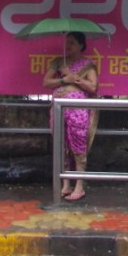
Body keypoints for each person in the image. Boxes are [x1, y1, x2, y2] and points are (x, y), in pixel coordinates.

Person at [42, 31, 99, 202]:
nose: (68, 46)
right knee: (61, 143)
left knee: (78, 143)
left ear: (81, 45)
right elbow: (46, 82)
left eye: (72, 43)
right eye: (67, 42)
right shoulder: (59, 63)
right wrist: (64, 80)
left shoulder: (88, 65)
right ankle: (65, 184)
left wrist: (76, 79)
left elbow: (93, 87)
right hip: (59, 108)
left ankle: (79, 186)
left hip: (78, 110)